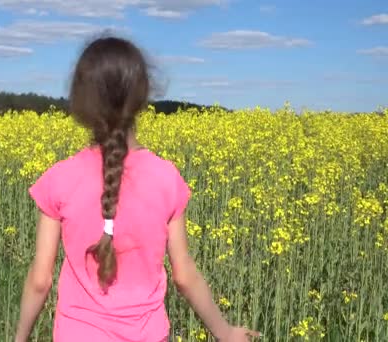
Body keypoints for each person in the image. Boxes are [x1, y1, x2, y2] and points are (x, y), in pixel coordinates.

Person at [15, 35, 260, 342]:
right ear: (143, 98)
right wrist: (226, 333)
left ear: (79, 102)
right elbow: (184, 276)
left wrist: (19, 338)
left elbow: (40, 281)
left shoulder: (60, 178)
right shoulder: (166, 178)